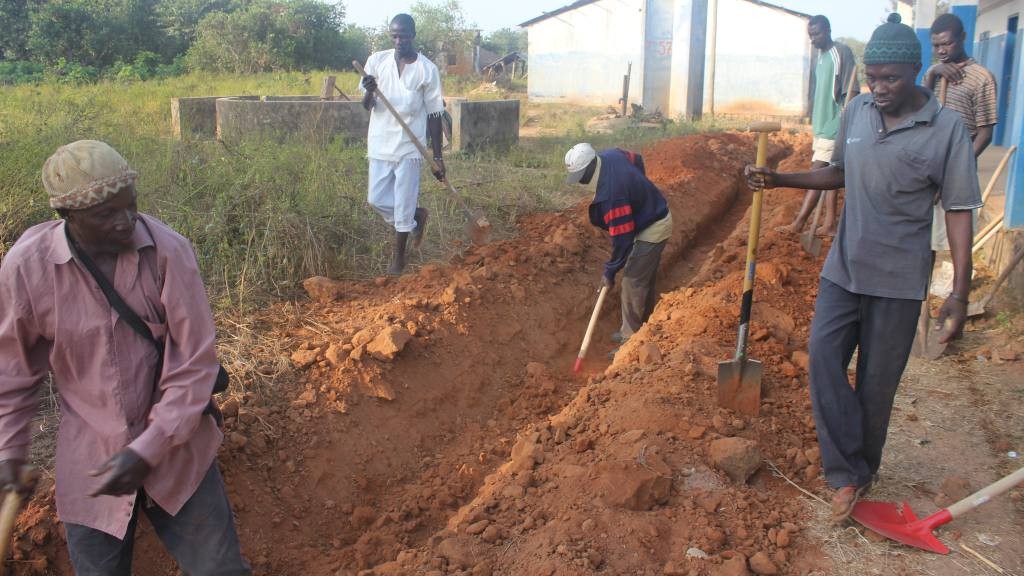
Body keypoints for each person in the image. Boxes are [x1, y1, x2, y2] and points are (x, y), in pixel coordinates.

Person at [745, 14, 980, 522]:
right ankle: (846, 471)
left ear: (916, 72)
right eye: (872, 78)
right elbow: (838, 173)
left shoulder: (946, 130)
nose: (878, 88)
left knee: (876, 385)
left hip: (898, 282)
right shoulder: (857, 111)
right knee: (824, 359)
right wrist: (781, 179)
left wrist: (959, 293)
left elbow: (959, 210)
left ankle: (859, 473)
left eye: (890, 78)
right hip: (843, 269)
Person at [0, 140, 251, 575]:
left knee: (220, 570)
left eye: (131, 207)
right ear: (66, 216)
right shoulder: (27, 268)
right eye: (105, 215)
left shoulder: (169, 252)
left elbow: (195, 366)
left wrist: (147, 450)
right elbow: (13, 372)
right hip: (92, 463)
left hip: (178, 451)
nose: (126, 222)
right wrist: (9, 452)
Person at [361, 13, 446, 276]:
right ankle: (416, 217)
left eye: (404, 35)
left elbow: (434, 114)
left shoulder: (426, 69)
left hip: (410, 147)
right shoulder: (376, 61)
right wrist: (369, 90)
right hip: (380, 143)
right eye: (394, 35)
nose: (399, 40)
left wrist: (438, 156)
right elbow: (367, 106)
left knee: (403, 203)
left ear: (413, 35)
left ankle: (399, 259)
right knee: (376, 199)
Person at [565, 143, 673, 349]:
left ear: (589, 168)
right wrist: (638, 190)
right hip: (650, 218)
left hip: (654, 228)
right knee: (641, 279)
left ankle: (630, 341)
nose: (580, 182)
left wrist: (610, 272)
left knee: (632, 282)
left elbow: (622, 239)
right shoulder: (611, 155)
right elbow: (637, 158)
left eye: (581, 176)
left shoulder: (612, 195)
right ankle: (645, 326)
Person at [923, 12, 998, 251]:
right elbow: (921, 112)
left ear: (963, 37)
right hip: (927, 167)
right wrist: (934, 72)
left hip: (958, 172)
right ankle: (919, 289)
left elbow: (985, 134)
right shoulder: (932, 74)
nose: (941, 50)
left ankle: (958, 287)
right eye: (936, 46)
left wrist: (955, 168)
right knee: (923, 242)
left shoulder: (982, 78)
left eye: (947, 43)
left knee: (953, 243)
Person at [780, 14, 858, 237]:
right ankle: (830, 223)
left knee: (816, 175)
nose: (812, 40)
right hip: (822, 126)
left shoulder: (840, 53)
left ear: (827, 31)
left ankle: (799, 223)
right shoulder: (821, 57)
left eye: (816, 34)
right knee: (830, 173)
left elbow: (851, 90)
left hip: (835, 125)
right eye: (810, 36)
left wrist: (844, 123)